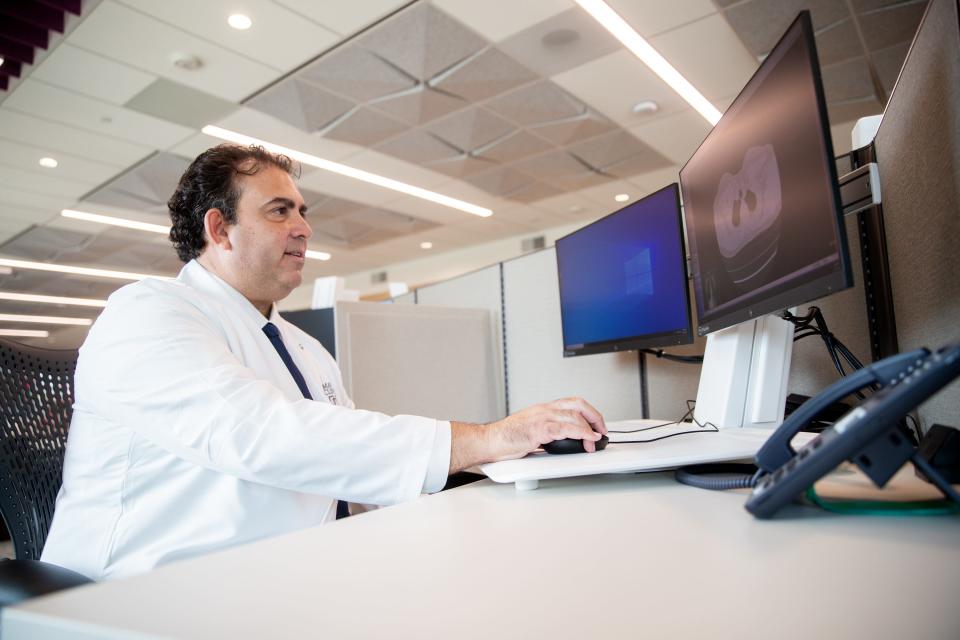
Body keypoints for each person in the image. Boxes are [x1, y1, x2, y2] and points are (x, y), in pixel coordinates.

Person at [41, 144, 606, 580]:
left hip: (284, 576)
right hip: (147, 592)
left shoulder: (302, 346)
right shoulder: (147, 314)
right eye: (279, 211)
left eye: (303, 212)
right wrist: (486, 437)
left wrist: (490, 471)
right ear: (219, 229)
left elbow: (344, 466)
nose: (304, 228)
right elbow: (262, 434)